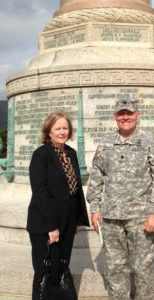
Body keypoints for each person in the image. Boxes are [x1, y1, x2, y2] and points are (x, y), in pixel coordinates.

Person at [86, 99, 154, 300]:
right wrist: (95, 208)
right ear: (115, 117)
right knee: (115, 268)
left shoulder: (149, 142)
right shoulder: (105, 143)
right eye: (121, 114)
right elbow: (96, 177)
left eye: (129, 114)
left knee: (143, 269)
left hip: (140, 218)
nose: (125, 117)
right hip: (110, 217)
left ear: (137, 116)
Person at [27, 111, 90, 299]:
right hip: (46, 220)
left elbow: (76, 188)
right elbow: (40, 192)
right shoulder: (41, 155)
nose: (62, 132)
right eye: (58, 128)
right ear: (49, 131)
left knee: (62, 265)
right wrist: (51, 226)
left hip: (68, 220)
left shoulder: (71, 153)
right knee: (46, 269)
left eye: (65, 128)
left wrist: (77, 219)